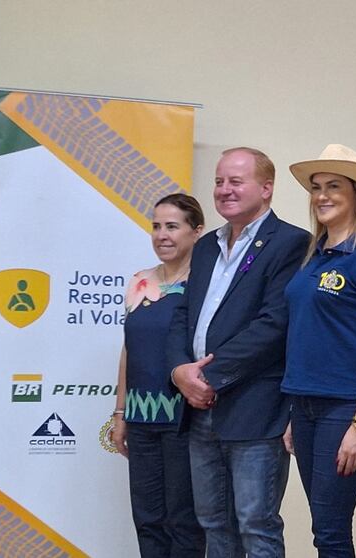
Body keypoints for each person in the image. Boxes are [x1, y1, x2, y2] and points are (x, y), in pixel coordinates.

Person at [166, 147, 309, 558]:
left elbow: (274, 324)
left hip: (254, 409)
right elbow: (183, 314)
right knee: (213, 524)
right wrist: (180, 371)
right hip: (198, 409)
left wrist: (208, 376)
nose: (224, 190)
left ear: (266, 188)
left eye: (236, 181)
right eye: (218, 181)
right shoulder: (207, 245)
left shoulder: (292, 243)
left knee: (256, 525)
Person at [281, 144, 356, 557]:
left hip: (346, 406)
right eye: (316, 187)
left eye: (334, 186)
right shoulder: (312, 256)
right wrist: (295, 413)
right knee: (322, 527)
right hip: (305, 406)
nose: (322, 196)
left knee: (330, 530)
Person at [111, 193, 206, 558]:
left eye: (172, 226)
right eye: (156, 226)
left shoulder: (203, 285)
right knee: (147, 519)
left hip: (185, 419)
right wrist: (120, 414)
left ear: (196, 232)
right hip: (140, 418)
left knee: (183, 521)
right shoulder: (138, 281)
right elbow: (128, 350)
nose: (162, 235)